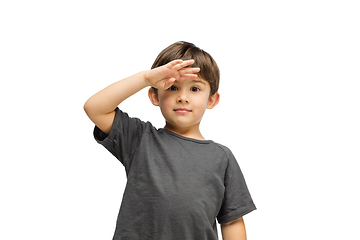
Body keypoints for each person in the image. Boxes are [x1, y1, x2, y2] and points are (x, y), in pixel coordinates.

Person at [84, 41, 256, 240]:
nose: (182, 97)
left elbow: (232, 221)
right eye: (173, 87)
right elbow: (95, 108)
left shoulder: (222, 157)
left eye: (194, 89)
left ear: (212, 100)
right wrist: (146, 77)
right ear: (154, 95)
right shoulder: (140, 139)